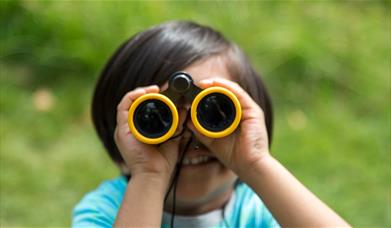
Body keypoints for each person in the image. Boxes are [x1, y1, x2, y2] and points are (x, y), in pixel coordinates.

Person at [72, 20, 350, 227]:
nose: (190, 137)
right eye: (157, 118)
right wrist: (149, 174)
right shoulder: (107, 210)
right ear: (122, 135)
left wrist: (255, 163)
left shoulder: (261, 211)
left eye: (213, 113)